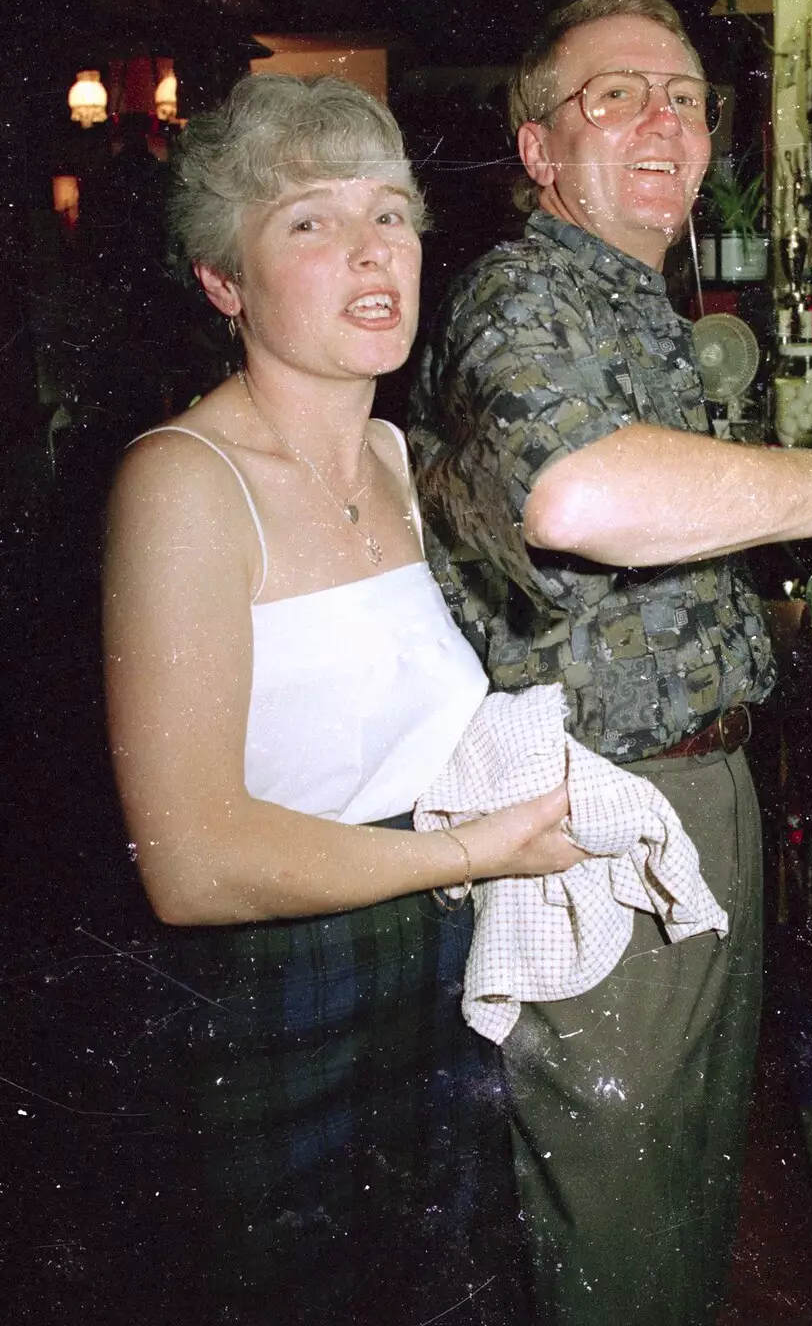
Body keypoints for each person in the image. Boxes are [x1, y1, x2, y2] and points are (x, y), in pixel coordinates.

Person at [408, 0, 812, 1325]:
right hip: (608, 827)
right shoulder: (523, 294)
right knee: (617, 1234)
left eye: (683, 97)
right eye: (613, 95)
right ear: (537, 149)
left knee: (670, 1206)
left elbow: (643, 603)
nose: (662, 123)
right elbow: (575, 501)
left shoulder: (631, 310)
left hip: (691, 801)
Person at [101, 73, 584, 1325]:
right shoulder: (183, 482)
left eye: (390, 212)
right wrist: (476, 848)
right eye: (309, 220)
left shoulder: (392, 456)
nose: (371, 250)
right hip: (271, 988)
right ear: (225, 280)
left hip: (435, 961)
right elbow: (191, 859)